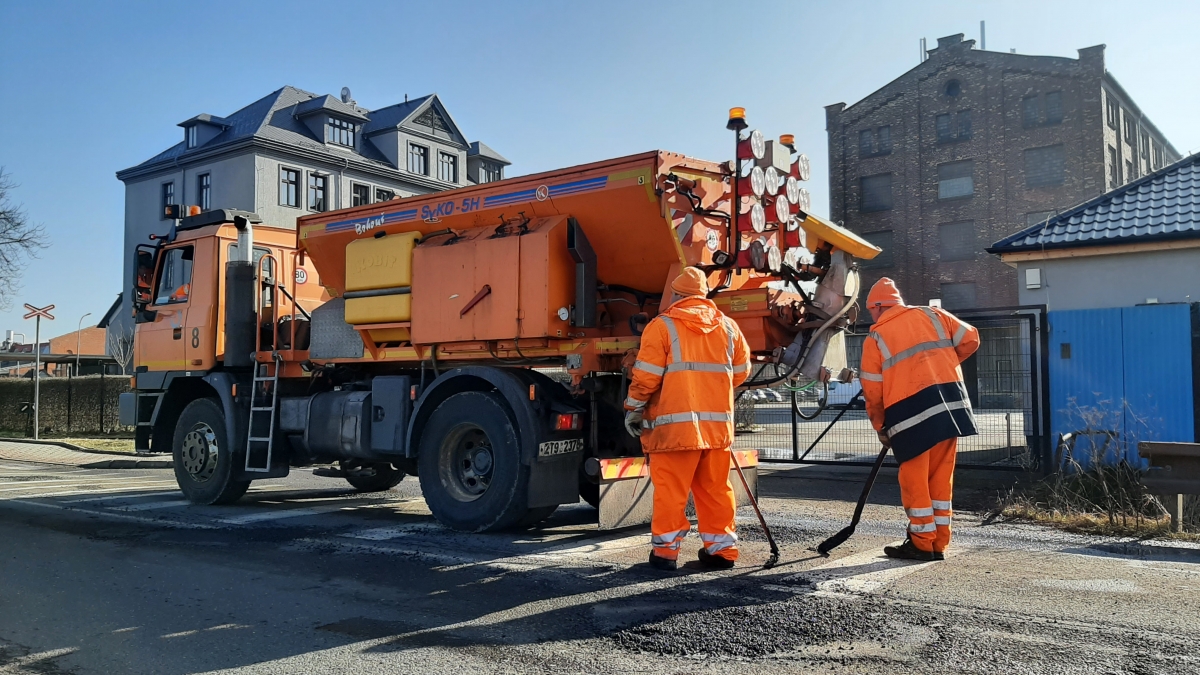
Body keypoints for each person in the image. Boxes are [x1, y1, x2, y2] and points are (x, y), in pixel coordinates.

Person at [624, 268, 752, 571]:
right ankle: (722, 552)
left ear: (677, 295)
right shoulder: (730, 327)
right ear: (703, 296)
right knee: (716, 490)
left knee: (672, 491)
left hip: (674, 431)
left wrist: (633, 407)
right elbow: (741, 372)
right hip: (717, 429)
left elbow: (647, 377)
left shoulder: (662, 326)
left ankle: (666, 554)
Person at [859, 277, 980, 561]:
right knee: (940, 481)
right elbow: (970, 338)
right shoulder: (933, 314)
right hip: (949, 407)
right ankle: (939, 542)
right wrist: (941, 364)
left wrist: (880, 426)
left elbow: (873, 390)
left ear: (878, 307)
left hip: (909, 415)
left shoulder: (876, 337)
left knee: (915, 483)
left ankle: (922, 542)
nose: (871, 317)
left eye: (871, 311)